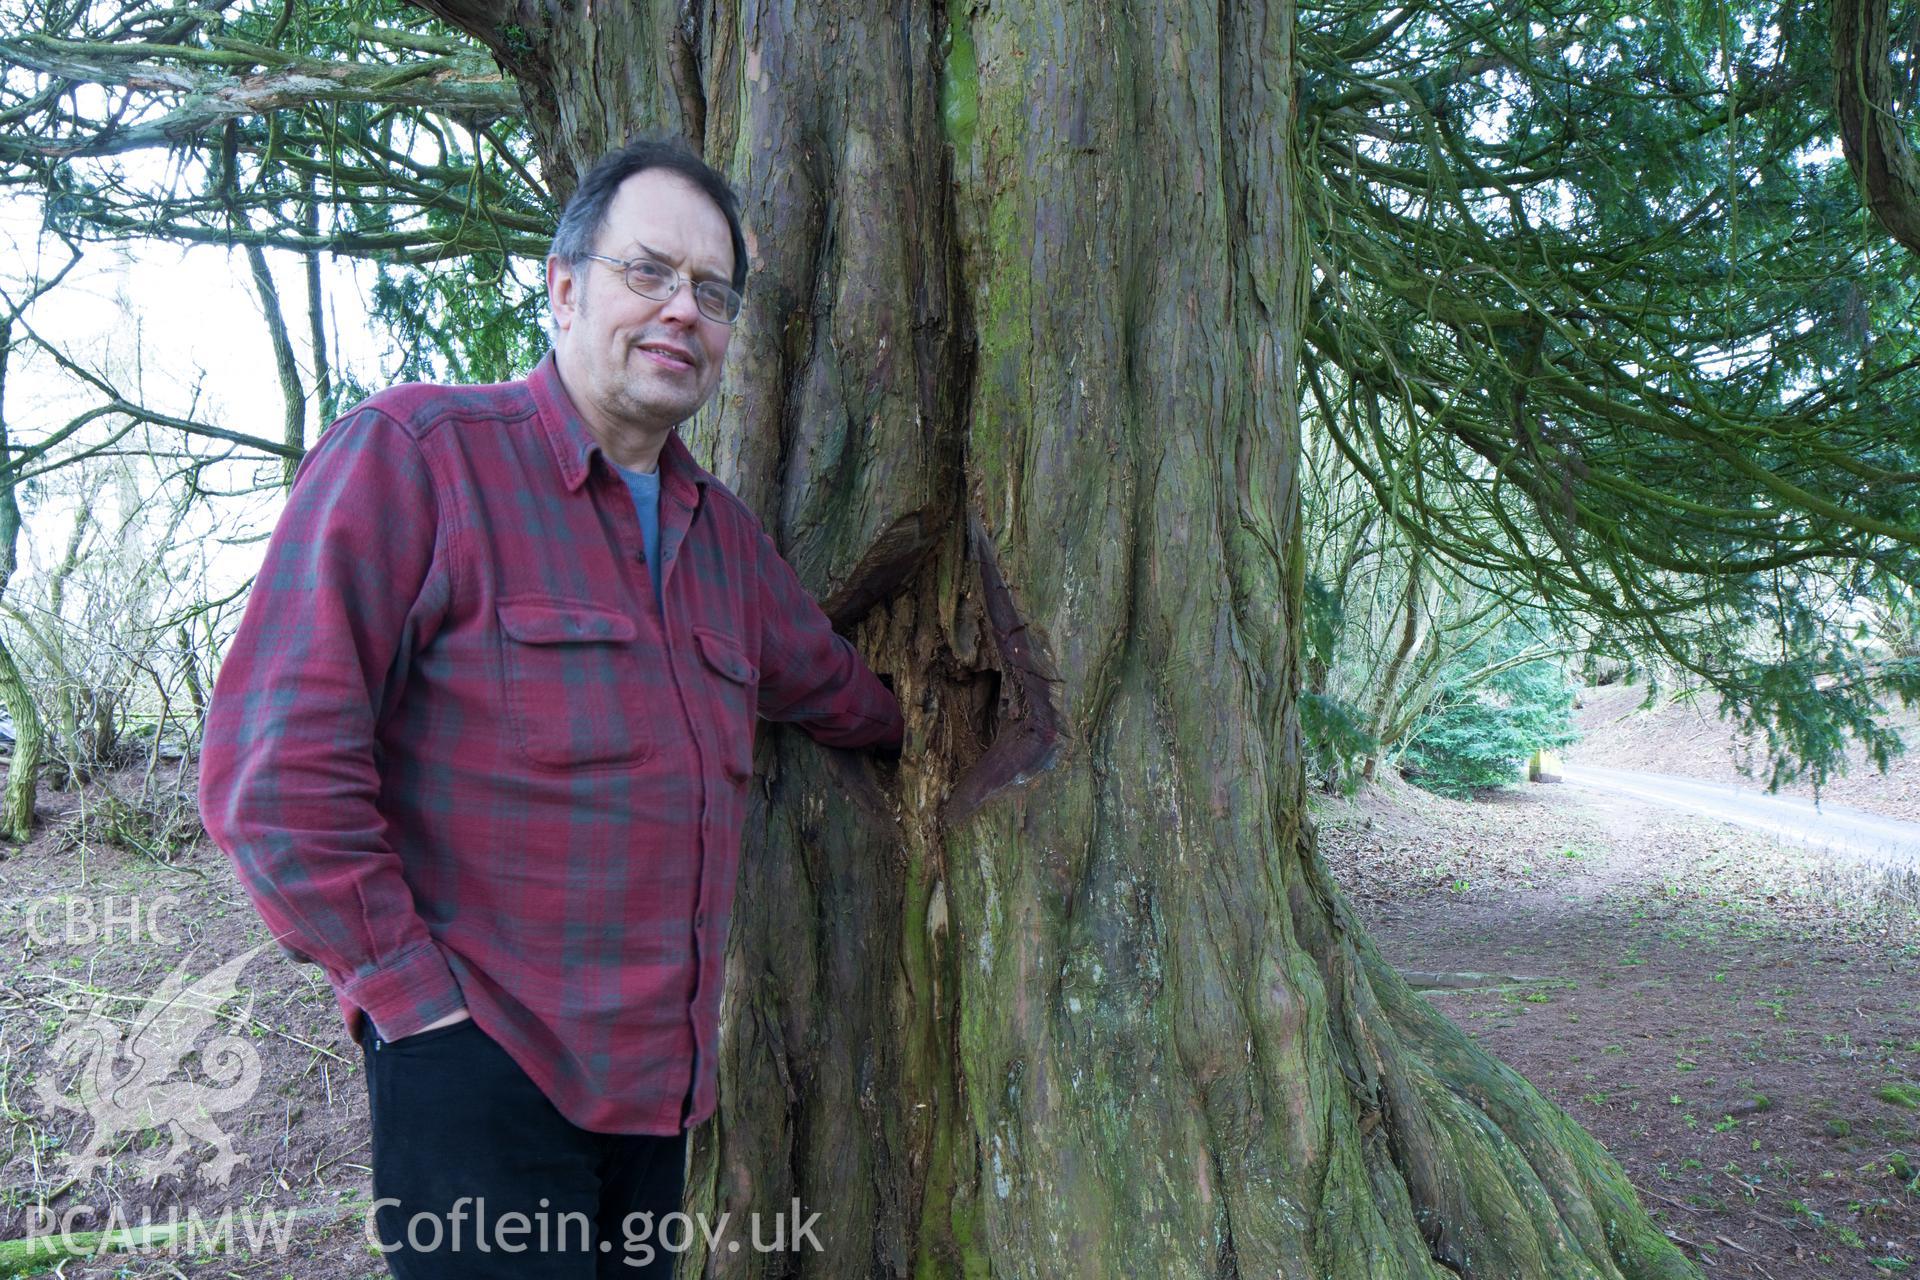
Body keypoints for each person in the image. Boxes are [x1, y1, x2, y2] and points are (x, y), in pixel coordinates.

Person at [197, 136, 905, 1278]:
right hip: (482, 1082)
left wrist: (935, 725)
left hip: (657, 1104)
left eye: (713, 292)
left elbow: (824, 677)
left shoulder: (722, 540)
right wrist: (411, 1005)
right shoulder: (418, 459)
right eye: (650, 271)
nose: (684, 309)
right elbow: (269, 775)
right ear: (564, 285)